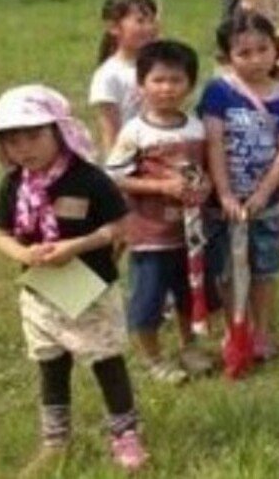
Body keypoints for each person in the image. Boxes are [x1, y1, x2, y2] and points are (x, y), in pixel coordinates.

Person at [0, 86, 148, 473]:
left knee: (106, 361)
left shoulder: (89, 178)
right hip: (40, 293)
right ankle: (56, 440)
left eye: (34, 136)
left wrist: (77, 246)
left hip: (91, 290)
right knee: (51, 365)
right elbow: (0, 234)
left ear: (58, 131)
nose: (25, 149)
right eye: (13, 141)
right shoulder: (15, 184)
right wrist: (23, 255)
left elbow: (123, 226)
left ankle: (125, 434)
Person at [104, 40, 214, 383]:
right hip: (149, 234)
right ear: (141, 85)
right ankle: (152, 358)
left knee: (189, 293)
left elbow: (207, 169)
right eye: (158, 80)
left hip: (190, 235)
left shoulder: (196, 127)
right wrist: (162, 187)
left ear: (190, 85)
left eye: (176, 80)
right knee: (148, 299)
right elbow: (115, 177)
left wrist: (205, 186)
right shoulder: (135, 131)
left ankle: (189, 346)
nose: (167, 88)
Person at [197, 12, 279, 360]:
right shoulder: (218, 91)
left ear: (276, 49)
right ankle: (235, 329)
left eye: (263, 49)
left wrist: (262, 193)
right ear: (227, 56)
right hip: (222, 205)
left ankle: (263, 332)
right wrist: (225, 193)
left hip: (266, 203)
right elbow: (213, 143)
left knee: (265, 270)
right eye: (244, 53)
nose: (256, 59)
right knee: (227, 271)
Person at [89, 0, 159, 155]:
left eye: (152, 21)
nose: (149, 27)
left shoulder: (160, 66)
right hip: (133, 158)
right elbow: (111, 135)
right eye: (140, 21)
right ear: (113, 27)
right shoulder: (108, 75)